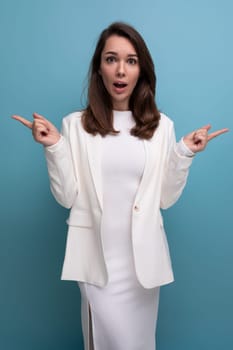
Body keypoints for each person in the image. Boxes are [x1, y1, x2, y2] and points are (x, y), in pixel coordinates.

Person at [12, 22, 228, 350]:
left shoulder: (161, 126)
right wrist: (54, 146)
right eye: (111, 59)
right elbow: (67, 196)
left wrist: (184, 151)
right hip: (96, 262)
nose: (120, 70)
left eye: (131, 60)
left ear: (142, 69)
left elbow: (165, 199)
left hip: (142, 266)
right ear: (99, 68)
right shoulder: (75, 125)